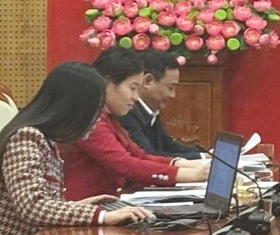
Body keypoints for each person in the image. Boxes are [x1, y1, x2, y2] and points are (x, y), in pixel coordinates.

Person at [0, 62, 153, 235]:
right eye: (94, 110)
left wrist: (79, 206)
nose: (97, 119)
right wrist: (101, 215)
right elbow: (32, 207)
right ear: (74, 108)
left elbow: (42, 201)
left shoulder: (46, 137)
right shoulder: (27, 137)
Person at [60, 47, 209, 200]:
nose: (135, 97)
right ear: (107, 83)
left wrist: (191, 166)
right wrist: (192, 175)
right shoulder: (89, 121)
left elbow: (140, 156)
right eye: (132, 88)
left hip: (110, 202)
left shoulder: (108, 117)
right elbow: (126, 165)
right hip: (84, 207)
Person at [119, 51, 202, 160]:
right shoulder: (127, 112)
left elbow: (169, 146)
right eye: (170, 88)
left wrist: (205, 155)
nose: (173, 95)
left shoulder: (151, 111)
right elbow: (148, 157)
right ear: (148, 81)